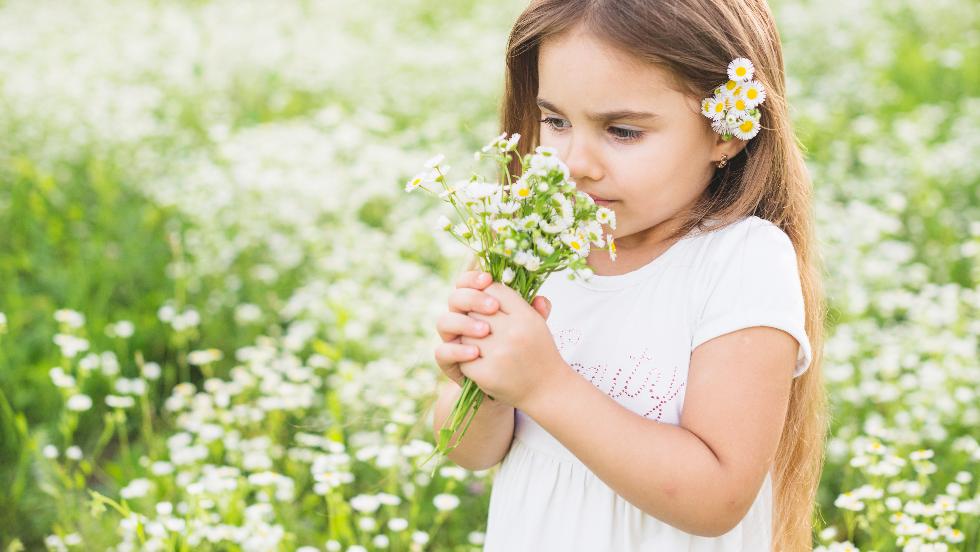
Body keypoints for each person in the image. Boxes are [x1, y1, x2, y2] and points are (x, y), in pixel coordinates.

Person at [431, 0, 828, 550]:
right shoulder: (529, 244)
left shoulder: (739, 262)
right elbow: (469, 452)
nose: (575, 162)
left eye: (621, 131)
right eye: (556, 121)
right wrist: (481, 384)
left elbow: (717, 499)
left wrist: (545, 386)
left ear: (726, 133)